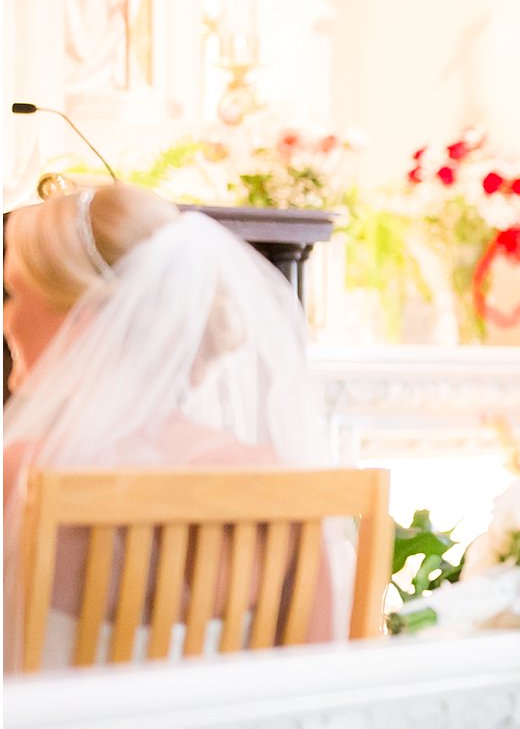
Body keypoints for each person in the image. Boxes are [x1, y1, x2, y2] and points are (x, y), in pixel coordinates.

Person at [2, 182, 347, 671]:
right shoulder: (282, 483)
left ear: (86, 316)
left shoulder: (17, 477)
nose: (5, 319)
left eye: (13, 293)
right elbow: (316, 681)